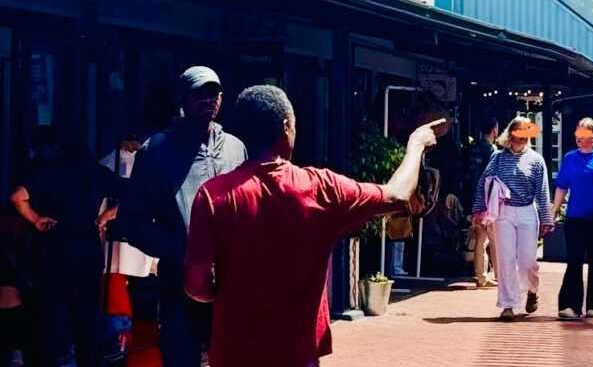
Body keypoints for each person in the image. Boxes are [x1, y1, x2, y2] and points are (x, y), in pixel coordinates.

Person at [184, 84, 444, 367]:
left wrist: (232, 293)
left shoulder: (213, 196)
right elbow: (397, 194)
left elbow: (196, 286)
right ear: (286, 127)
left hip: (235, 352)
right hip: (297, 352)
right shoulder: (320, 188)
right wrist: (415, 146)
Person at [119, 66, 246, 367]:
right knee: (180, 358)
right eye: (200, 92)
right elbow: (132, 221)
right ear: (182, 98)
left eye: (214, 92)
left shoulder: (235, 149)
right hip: (179, 283)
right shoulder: (156, 151)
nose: (209, 99)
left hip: (229, 284)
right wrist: (182, 251)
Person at [9, 126, 114, 367]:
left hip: (52, 249)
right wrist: (106, 216)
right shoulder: (95, 171)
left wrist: (36, 219)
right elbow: (133, 193)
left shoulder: (45, 171)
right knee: (87, 315)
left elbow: (16, 197)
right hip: (87, 249)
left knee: (50, 313)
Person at [471, 116, 553, 320]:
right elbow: (484, 182)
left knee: (527, 261)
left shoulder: (536, 160)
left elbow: (542, 192)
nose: (522, 137)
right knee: (505, 259)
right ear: (510, 134)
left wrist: (546, 218)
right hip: (504, 212)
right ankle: (507, 304)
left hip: (527, 211)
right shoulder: (498, 158)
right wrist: (478, 209)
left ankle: (532, 289)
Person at [551, 116, 593, 320]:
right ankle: (570, 305)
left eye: (584, 133)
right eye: (577, 133)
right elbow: (562, 186)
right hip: (576, 216)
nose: (579, 137)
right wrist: (554, 211)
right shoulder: (570, 158)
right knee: (574, 260)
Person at [468, 114, 499, 287]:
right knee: (493, 238)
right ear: (494, 130)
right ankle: (498, 275)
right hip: (488, 198)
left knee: (480, 238)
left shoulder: (474, 148)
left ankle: (481, 275)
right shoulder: (492, 150)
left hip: (473, 197)